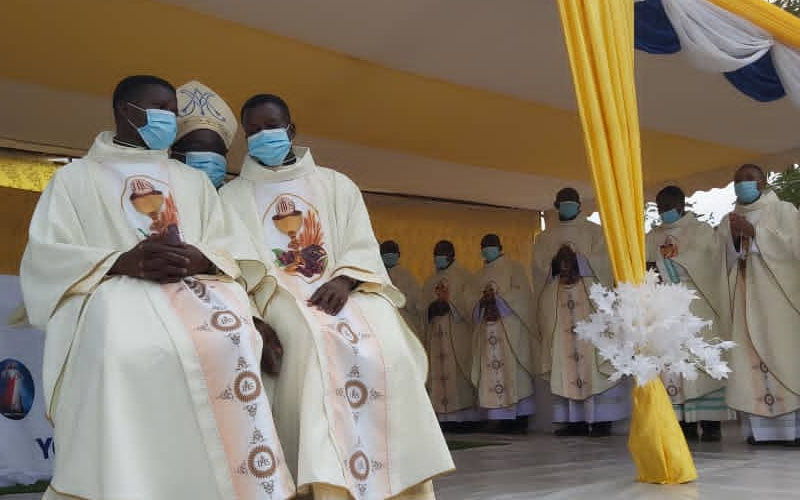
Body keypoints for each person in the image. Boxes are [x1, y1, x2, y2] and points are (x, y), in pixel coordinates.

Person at [21, 76, 294, 500]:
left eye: (172, 110)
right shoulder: (74, 180)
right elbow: (46, 255)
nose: (170, 118)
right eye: (160, 108)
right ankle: (129, 484)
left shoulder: (191, 181)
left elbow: (227, 245)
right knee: (123, 349)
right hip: (114, 295)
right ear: (124, 111)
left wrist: (199, 258)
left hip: (195, 294)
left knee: (233, 340)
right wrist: (122, 261)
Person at [220, 94, 453, 499]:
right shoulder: (233, 196)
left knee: (387, 342)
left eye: (271, 126)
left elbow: (361, 244)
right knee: (309, 341)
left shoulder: (335, 184)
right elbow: (240, 267)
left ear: (291, 129)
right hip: (277, 295)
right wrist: (262, 311)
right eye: (253, 130)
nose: (262, 135)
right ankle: (326, 481)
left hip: (344, 288)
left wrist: (344, 281)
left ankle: (402, 477)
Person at [534, 187, 628, 437]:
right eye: (563, 202)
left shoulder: (595, 232)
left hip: (590, 308)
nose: (567, 205)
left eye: (571, 202)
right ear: (556, 205)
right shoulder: (545, 238)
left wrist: (580, 260)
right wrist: (556, 262)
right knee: (565, 360)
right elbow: (539, 271)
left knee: (593, 358)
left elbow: (606, 265)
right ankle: (573, 421)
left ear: (579, 205)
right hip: (559, 308)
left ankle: (601, 420)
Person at [718, 164, 800, 446]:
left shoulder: (783, 211)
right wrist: (733, 239)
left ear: (762, 182)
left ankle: (793, 432)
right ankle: (760, 433)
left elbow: (794, 249)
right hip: (743, 300)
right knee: (749, 360)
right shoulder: (729, 219)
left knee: (784, 356)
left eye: (748, 179)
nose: (742, 184)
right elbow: (720, 261)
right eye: (737, 180)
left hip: (777, 303)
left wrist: (755, 233)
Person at [646, 186, 734, 442]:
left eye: (668, 205)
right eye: (660, 206)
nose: (664, 211)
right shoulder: (651, 236)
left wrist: (661, 266)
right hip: (665, 310)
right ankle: (682, 423)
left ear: (681, 204)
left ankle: (711, 423)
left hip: (697, 306)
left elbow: (708, 262)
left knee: (700, 361)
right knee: (671, 365)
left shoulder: (701, 231)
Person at [471, 234, 537, 433]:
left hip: (510, 331)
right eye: (484, 246)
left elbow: (523, 296)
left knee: (513, 372)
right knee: (492, 372)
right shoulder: (479, 275)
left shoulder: (514, 268)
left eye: (490, 245)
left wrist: (498, 299)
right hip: (488, 331)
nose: (486, 249)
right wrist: (482, 301)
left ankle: (520, 419)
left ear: (499, 247)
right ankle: (499, 419)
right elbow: (469, 302)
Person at [421, 240, 477, 430]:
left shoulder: (464, 277)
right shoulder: (430, 281)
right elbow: (422, 308)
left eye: (442, 253)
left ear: (452, 254)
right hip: (436, 336)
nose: (438, 257)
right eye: (436, 254)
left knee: (457, 375)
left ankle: (464, 418)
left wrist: (450, 305)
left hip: (457, 334)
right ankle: (443, 418)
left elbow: (470, 306)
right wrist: (432, 308)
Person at [171, 80, 237, 189]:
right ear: (173, 152)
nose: (209, 158)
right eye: (197, 147)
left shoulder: (235, 196)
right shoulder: (155, 193)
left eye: (218, 150)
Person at [380, 240, 424, 341]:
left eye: (391, 252)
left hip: (404, 325)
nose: (389, 255)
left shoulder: (407, 277)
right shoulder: (377, 276)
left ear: (398, 255)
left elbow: (417, 304)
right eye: (386, 252)